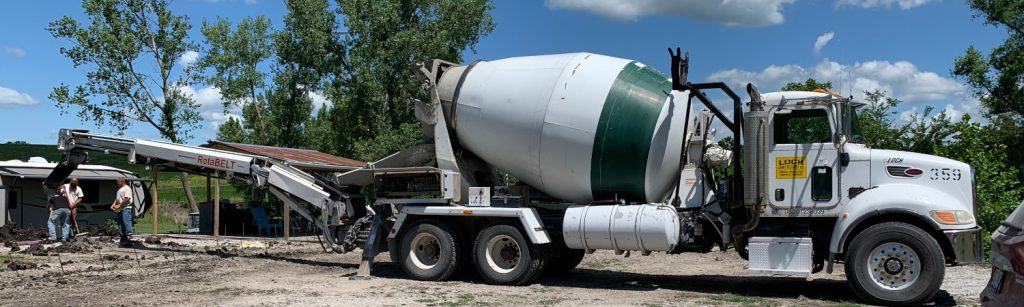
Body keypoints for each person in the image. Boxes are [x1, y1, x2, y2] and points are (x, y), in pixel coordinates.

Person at [111, 176, 134, 247]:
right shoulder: (120, 189)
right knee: (120, 223)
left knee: (126, 221)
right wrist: (114, 204)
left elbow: (127, 198)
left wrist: (120, 205)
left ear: (122, 181)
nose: (116, 184)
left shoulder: (127, 189)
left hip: (126, 208)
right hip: (120, 208)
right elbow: (118, 198)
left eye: (117, 182)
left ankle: (129, 236)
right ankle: (123, 238)